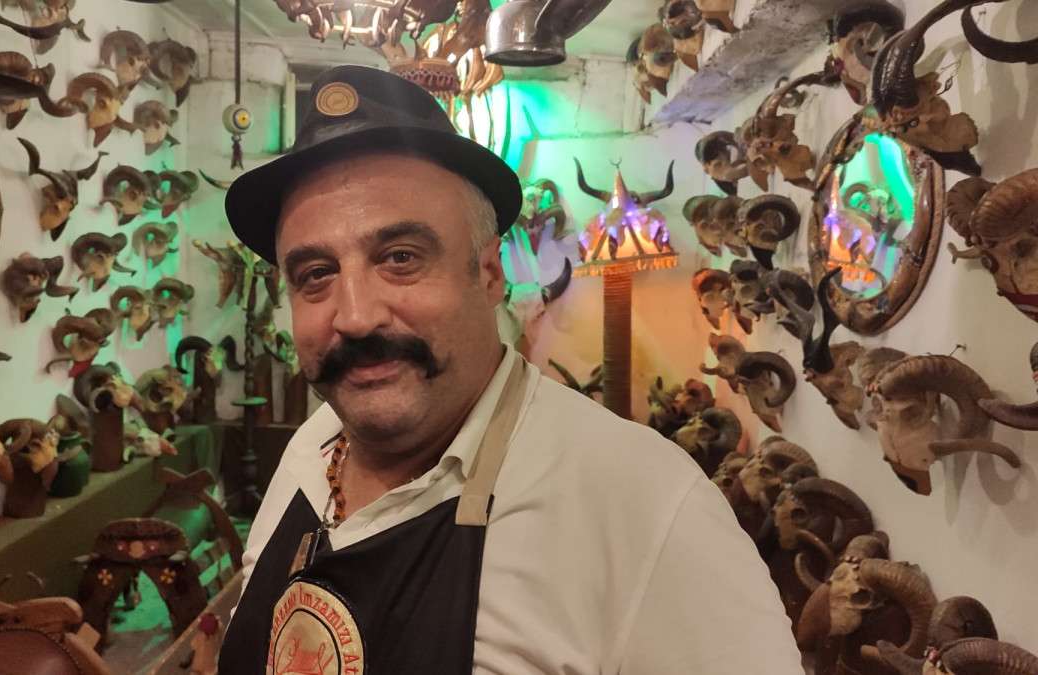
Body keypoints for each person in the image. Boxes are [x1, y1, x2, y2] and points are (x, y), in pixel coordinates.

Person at [218, 65, 802, 674]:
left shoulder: (645, 505)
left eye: (400, 258)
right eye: (316, 274)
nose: (357, 317)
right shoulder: (309, 452)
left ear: (489, 274)